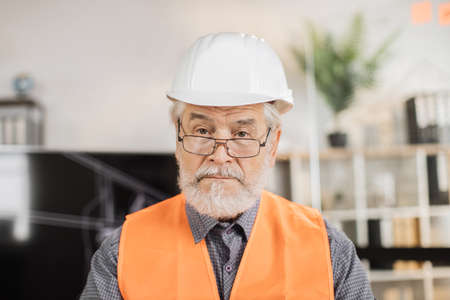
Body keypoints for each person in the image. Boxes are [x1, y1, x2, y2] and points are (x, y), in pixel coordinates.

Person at [80, 32, 374, 300]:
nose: (220, 156)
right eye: (203, 131)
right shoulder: (122, 252)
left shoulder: (329, 250)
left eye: (242, 134)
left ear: (272, 146)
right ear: (179, 137)